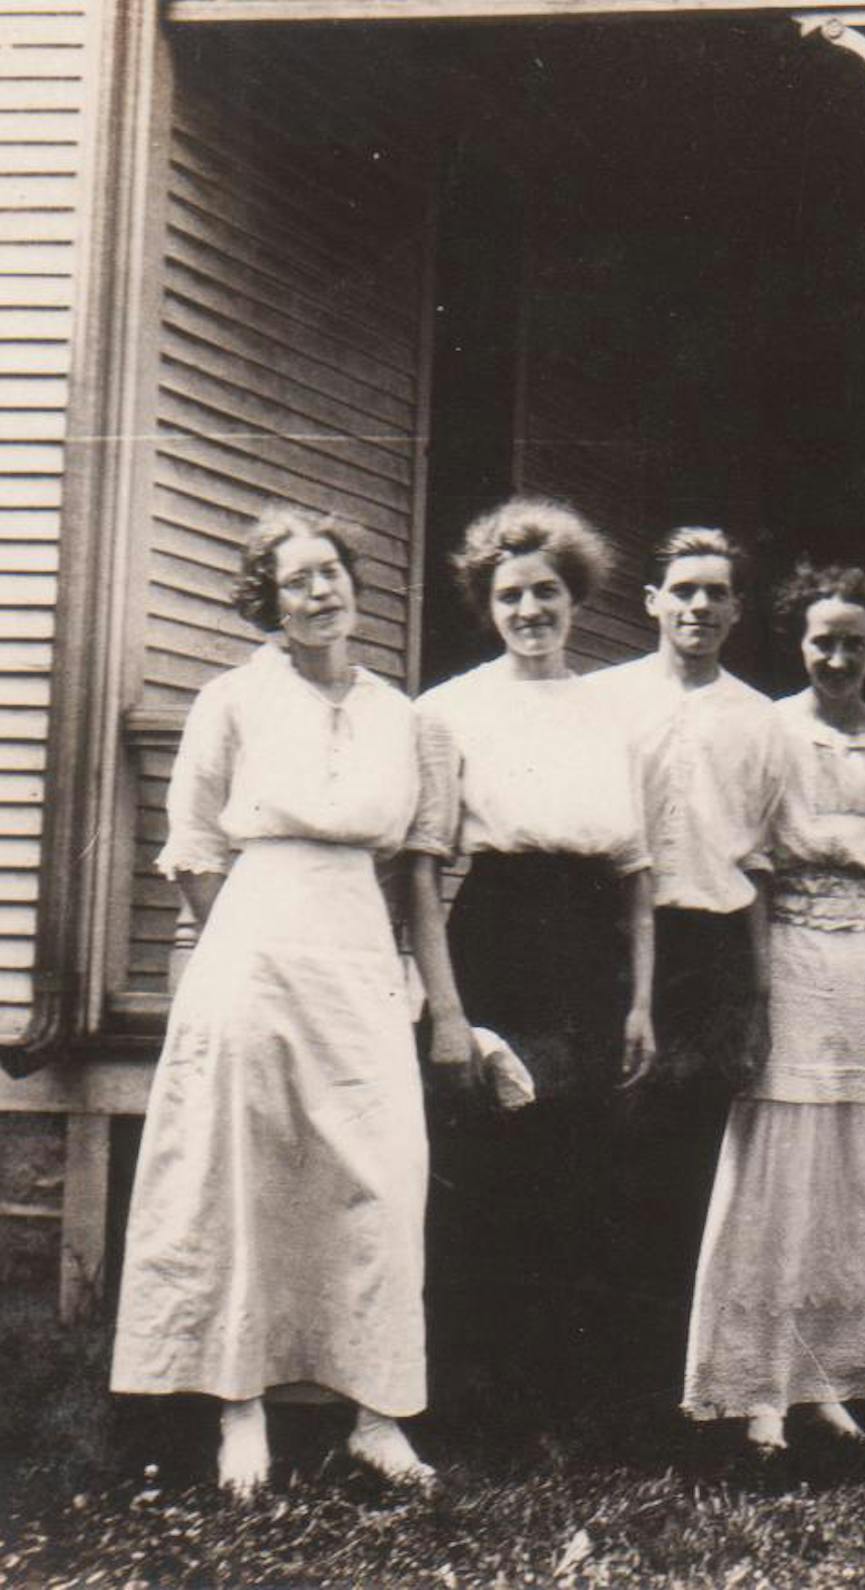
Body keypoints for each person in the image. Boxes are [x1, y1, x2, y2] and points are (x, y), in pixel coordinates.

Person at [111, 505, 437, 1496]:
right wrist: (242, 941)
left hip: (355, 945)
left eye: (330, 570)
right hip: (254, 943)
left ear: (352, 581)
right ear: (267, 600)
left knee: (383, 1173)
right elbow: (196, 845)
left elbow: (406, 850)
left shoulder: (398, 712)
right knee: (248, 1172)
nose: (319, 591)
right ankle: (239, 1409)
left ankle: (377, 1415)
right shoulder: (233, 700)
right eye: (296, 580)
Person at [683, 566, 865, 1454]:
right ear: (799, 643)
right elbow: (751, 864)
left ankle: (831, 1381)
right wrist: (757, 991)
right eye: (822, 642)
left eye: (856, 643)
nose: (838, 658)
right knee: (782, 1177)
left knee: (860, 1180)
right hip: (791, 959)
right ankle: (761, 1389)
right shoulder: (769, 732)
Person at [407, 496, 656, 1418]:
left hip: (589, 937)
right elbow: (424, 870)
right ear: (488, 603)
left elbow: (636, 869)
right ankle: (481, 1394)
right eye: (511, 595)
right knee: (493, 1154)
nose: (530, 611)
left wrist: (640, 1001)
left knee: (584, 1157)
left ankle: (571, 1392)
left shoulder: (612, 712)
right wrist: (443, 1005)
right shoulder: (450, 710)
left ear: (575, 596)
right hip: (500, 932)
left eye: (546, 591)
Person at [587, 528, 784, 1367]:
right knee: (607, 1147)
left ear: (737, 609)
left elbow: (761, 862)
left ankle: (676, 1368)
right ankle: (602, 1360)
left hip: (710, 948)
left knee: (691, 1156)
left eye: (717, 592)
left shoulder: (760, 720)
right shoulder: (600, 701)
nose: (699, 605)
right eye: (685, 590)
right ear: (653, 601)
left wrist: (762, 995)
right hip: (610, 939)